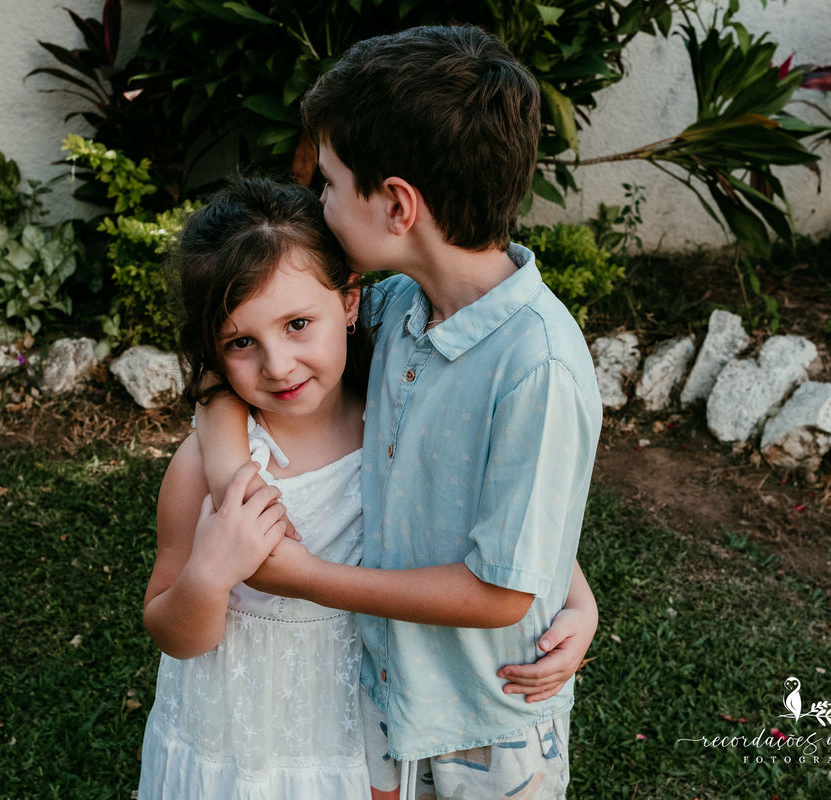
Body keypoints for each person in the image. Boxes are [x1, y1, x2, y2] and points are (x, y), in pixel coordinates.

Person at [200, 25, 603, 799]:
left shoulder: (538, 367)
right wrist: (232, 483)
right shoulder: (395, 310)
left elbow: (502, 593)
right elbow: (222, 383)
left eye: (329, 182)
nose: (319, 201)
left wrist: (310, 578)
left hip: (489, 722)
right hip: (387, 697)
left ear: (395, 205)